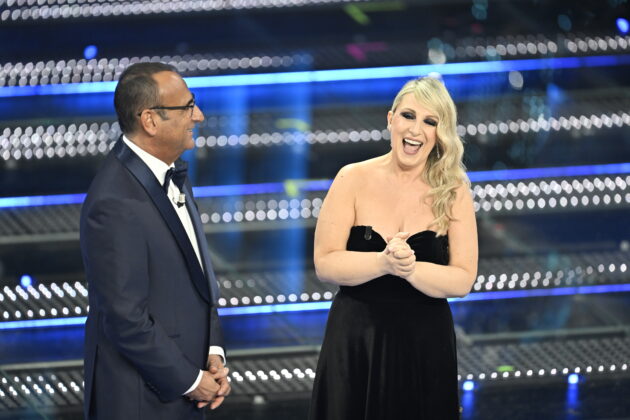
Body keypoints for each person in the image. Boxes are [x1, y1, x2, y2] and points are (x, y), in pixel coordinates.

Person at [309, 77, 478, 419]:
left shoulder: (454, 189)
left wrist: (410, 269)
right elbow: (325, 263)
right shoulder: (351, 178)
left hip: (425, 345)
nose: (416, 130)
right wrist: (383, 263)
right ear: (390, 119)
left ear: (440, 133)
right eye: (408, 116)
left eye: (430, 122)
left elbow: (462, 279)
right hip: (356, 341)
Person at [80, 62, 230, 419]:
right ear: (150, 120)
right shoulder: (114, 202)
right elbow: (125, 319)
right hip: (140, 400)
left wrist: (212, 349)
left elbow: (197, 277)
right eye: (188, 107)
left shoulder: (171, 171)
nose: (199, 116)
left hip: (185, 384)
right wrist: (190, 380)